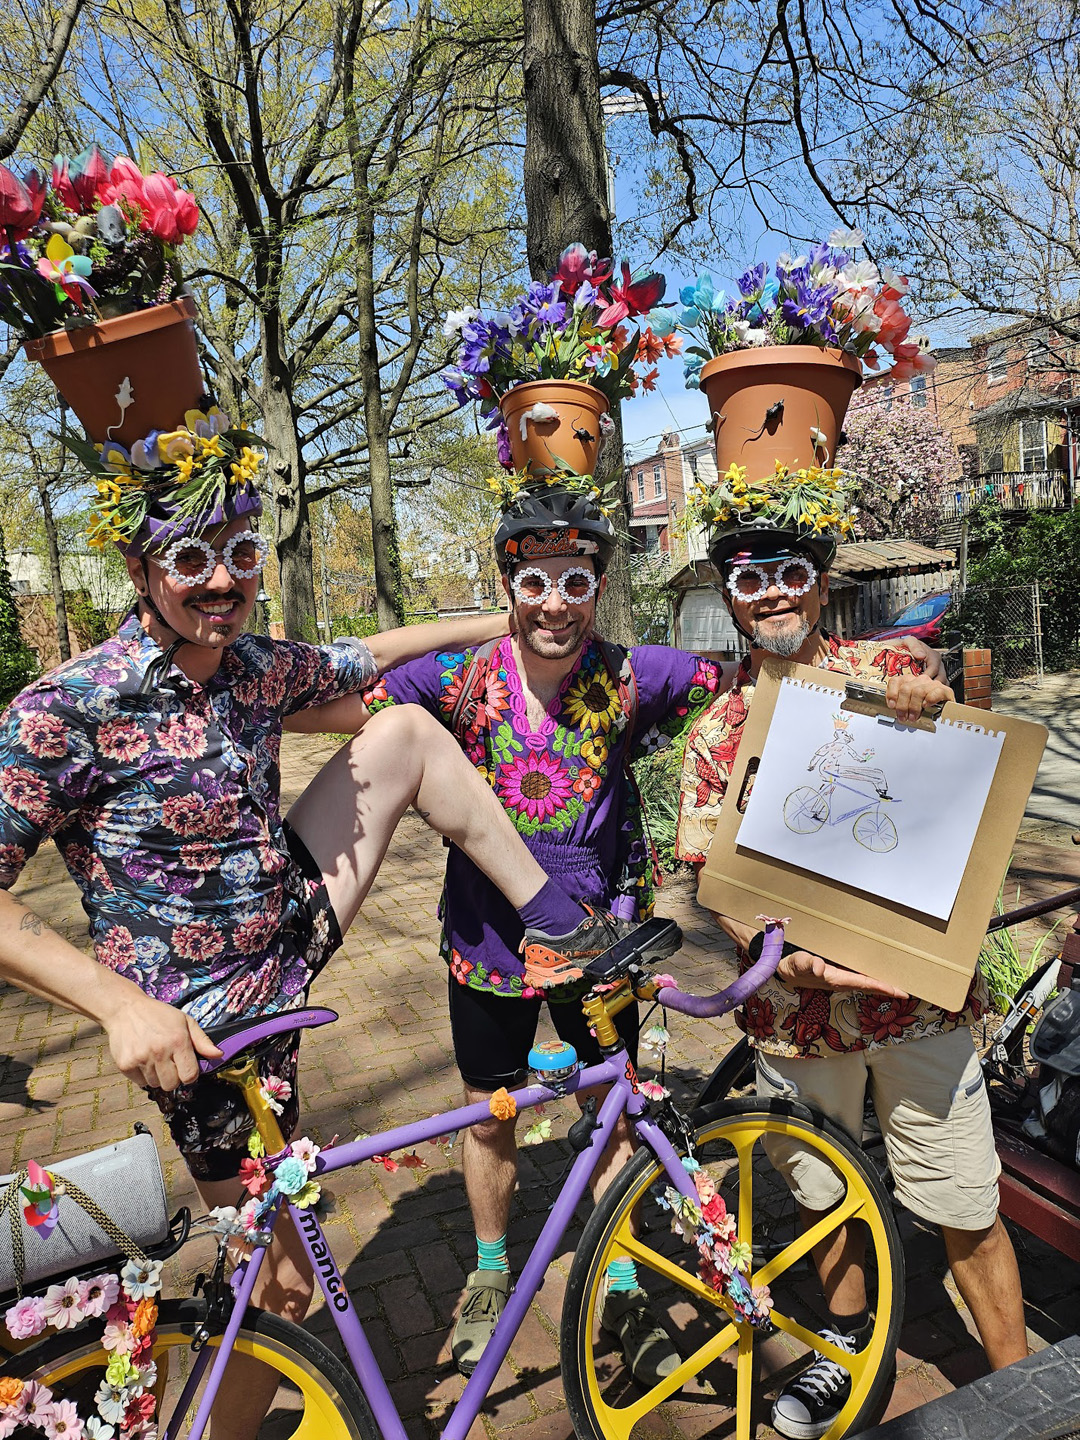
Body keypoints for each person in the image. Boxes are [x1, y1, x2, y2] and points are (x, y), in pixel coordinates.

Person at [0, 417, 627, 1440]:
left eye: (241, 555)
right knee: (280, 1284)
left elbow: (361, 660)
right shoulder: (67, 707)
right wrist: (117, 1006)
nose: (221, 581)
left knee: (408, 730)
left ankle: (562, 926)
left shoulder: (245, 669)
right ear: (137, 563)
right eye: (191, 558)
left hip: (284, 940)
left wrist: (496, 626)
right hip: (199, 1029)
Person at [298, 477, 943, 1386]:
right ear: (508, 589)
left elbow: (770, 668)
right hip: (486, 942)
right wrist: (472, 626)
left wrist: (902, 662)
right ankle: (489, 1267)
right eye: (534, 583)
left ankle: (625, 1273)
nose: (556, 603)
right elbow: (304, 696)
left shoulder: (637, 674)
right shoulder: (457, 679)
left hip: (605, 941)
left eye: (575, 580)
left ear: (599, 588)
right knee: (492, 1113)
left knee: (611, 1105)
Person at [675, 493, 1027, 1439]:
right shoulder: (716, 734)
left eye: (793, 572)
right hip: (799, 1016)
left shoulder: (886, 677)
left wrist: (937, 698)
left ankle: (1018, 1379)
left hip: (919, 1005)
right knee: (828, 1200)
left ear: (822, 584)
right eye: (751, 578)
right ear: (730, 596)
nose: (775, 593)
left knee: (963, 1195)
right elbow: (719, 885)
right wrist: (786, 961)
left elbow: (957, 747)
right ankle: (842, 1352)